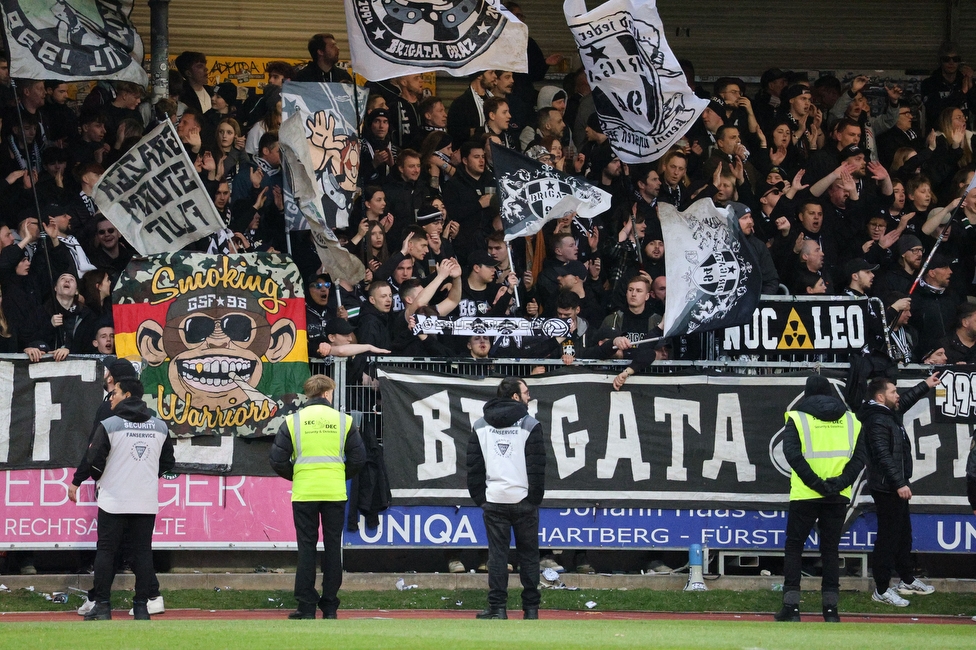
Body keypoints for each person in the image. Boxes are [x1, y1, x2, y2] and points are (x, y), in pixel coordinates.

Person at [68, 377, 175, 621]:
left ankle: (103, 606)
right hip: (145, 500)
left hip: (113, 499)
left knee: (106, 551)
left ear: (127, 395)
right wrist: (146, 474)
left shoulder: (109, 424)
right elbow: (169, 462)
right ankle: (141, 607)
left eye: (114, 392)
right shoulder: (160, 426)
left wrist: (102, 478)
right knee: (142, 553)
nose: (111, 397)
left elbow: (93, 460)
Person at [269, 374, 366, 619]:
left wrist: (299, 475)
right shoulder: (344, 421)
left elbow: (277, 460)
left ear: (310, 394)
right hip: (334, 491)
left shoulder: (293, 421)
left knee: (306, 548)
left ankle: (306, 607)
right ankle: (330, 606)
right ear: (326, 393)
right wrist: (339, 474)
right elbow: (358, 458)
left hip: (305, 492)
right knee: (333, 547)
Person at [775, 375, 865, 623]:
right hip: (838, 495)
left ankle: (791, 609)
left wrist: (815, 483)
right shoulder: (851, 420)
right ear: (831, 393)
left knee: (794, 547)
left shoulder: (797, 418)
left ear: (806, 394)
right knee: (830, 550)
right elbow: (859, 459)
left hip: (805, 493)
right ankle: (831, 611)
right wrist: (838, 483)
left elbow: (792, 454)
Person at [466, 377, 546, 620]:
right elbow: (538, 466)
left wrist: (482, 499)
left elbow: (474, 467)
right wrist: (533, 499)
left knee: (497, 556)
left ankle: (498, 608)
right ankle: (531, 609)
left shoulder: (480, 424)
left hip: (494, 499)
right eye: (525, 392)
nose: (528, 396)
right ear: (514, 396)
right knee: (529, 556)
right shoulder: (530, 424)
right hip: (523, 499)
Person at [859, 373, 941, 607]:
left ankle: (906, 579)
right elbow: (883, 455)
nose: (898, 395)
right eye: (893, 392)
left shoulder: (885, 412)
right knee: (888, 537)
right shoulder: (876, 419)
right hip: (887, 487)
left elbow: (903, 403)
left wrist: (925, 385)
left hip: (894, 484)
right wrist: (899, 483)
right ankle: (882, 589)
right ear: (880, 396)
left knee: (903, 533)